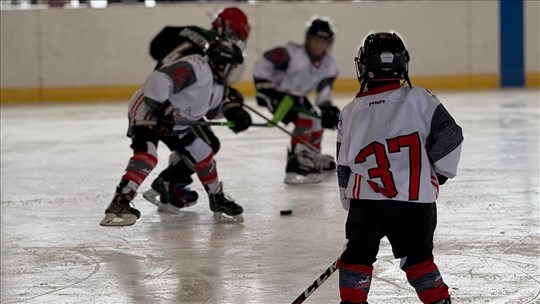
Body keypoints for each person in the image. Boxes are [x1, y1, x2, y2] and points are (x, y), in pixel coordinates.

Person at [336, 32, 462, 304]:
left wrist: (351, 206)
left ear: (363, 67)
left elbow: (343, 167)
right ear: (403, 65)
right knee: (419, 260)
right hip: (416, 203)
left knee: (356, 259)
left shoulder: (350, 111)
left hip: (367, 203)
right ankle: (438, 300)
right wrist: (438, 173)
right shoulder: (421, 99)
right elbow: (451, 138)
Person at [100, 36, 252, 226]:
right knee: (147, 155)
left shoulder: (214, 81)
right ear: (221, 62)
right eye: (231, 66)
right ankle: (120, 201)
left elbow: (212, 110)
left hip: (176, 120)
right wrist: (162, 110)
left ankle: (216, 198)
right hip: (147, 111)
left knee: (203, 152)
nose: (232, 73)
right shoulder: (196, 66)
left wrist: (232, 112)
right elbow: (158, 80)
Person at [142, 7, 251, 212]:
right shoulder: (212, 49)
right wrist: (232, 107)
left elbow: (156, 47)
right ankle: (168, 183)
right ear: (222, 27)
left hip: (168, 99)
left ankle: (172, 185)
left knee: (199, 144)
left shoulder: (198, 36)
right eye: (234, 34)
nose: (235, 40)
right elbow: (214, 91)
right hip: (173, 105)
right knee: (207, 144)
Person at [253, 15, 341, 185]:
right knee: (305, 118)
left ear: (329, 43)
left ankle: (311, 154)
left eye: (323, 41)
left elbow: (324, 90)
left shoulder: (330, 64)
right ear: (308, 39)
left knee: (317, 119)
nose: (318, 45)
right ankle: (297, 161)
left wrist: (326, 107)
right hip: (275, 93)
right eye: (315, 40)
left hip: (296, 96)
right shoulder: (292, 54)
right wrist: (263, 85)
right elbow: (265, 60)